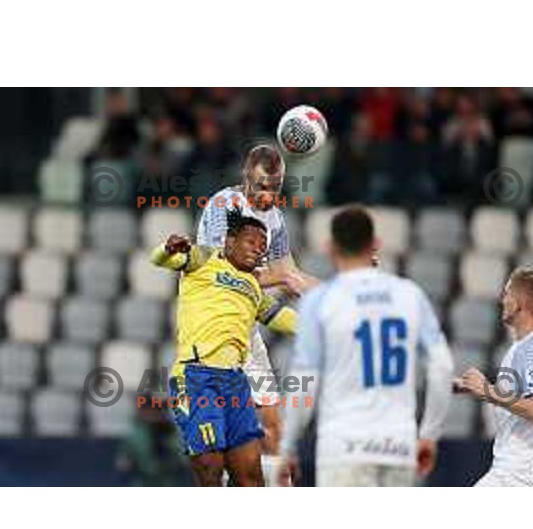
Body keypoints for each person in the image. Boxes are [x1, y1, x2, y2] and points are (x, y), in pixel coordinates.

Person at [279, 205, 454, 487]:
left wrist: (286, 445)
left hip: (344, 447)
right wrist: (429, 435)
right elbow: (442, 368)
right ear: (376, 246)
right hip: (397, 447)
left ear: (330, 248)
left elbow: (304, 380)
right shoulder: (410, 295)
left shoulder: (320, 301)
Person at [195, 144, 317, 485]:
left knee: (274, 429)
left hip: (247, 332)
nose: (268, 195)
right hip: (213, 332)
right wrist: (284, 277)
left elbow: (291, 273)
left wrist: (345, 288)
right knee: (216, 453)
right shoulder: (224, 207)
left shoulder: (275, 218)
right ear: (246, 178)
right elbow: (225, 273)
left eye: (275, 187)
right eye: (261, 186)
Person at [150, 209, 296, 486]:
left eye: (262, 246)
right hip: (196, 375)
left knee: (251, 476)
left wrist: (323, 322)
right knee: (210, 466)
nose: (258, 249)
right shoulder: (205, 258)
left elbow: (280, 318)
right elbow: (160, 260)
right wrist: (167, 248)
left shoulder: (253, 287)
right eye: (251, 241)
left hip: (235, 381)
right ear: (229, 242)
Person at [456, 267, 533, 487]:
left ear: (519, 302)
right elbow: (520, 396)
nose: (502, 300)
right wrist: (468, 386)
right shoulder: (526, 346)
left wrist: (487, 390)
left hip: (516, 473)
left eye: (507, 294)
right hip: (516, 470)